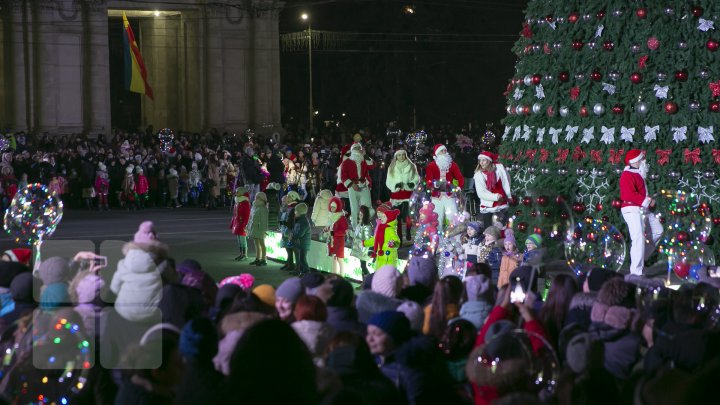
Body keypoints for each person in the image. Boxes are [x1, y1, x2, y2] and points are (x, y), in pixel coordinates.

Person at [619, 149, 662, 277]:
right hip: (632, 209)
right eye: (642, 159)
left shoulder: (637, 173)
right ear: (635, 161)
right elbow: (628, 194)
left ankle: (639, 258)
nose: (644, 161)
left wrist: (648, 201)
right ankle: (636, 273)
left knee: (658, 230)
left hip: (642, 209)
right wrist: (647, 201)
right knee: (638, 238)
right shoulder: (627, 174)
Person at [425, 144, 464, 233]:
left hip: (449, 195)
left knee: (453, 217)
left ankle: (455, 237)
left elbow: (460, 178)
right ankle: (437, 239)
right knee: (437, 218)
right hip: (436, 197)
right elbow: (428, 181)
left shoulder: (452, 165)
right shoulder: (431, 165)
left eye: (445, 151)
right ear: (437, 154)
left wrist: (459, 187)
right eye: (441, 151)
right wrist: (434, 184)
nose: (443, 153)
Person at [385, 148, 419, 243]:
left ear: (405, 155)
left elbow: (416, 177)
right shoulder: (391, 167)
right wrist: (395, 185)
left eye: (403, 155)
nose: (401, 157)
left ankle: (408, 230)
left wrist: (412, 183)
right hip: (396, 196)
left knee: (408, 217)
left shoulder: (412, 166)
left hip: (408, 195)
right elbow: (388, 181)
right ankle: (399, 239)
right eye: (399, 155)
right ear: (396, 156)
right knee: (397, 219)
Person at [473, 151, 512, 228]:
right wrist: (496, 197)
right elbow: (481, 193)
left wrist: (508, 195)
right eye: (480, 160)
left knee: (503, 228)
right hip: (488, 206)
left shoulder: (499, 169)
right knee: (489, 230)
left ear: (489, 160)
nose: (481, 163)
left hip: (502, 204)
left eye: (483, 160)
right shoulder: (478, 175)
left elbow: (506, 182)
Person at [340, 142, 374, 228]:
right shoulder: (346, 162)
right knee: (354, 209)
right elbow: (343, 176)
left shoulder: (364, 160)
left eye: (359, 148)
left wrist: (365, 155)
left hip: (364, 186)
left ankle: (365, 225)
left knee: (367, 208)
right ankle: (355, 229)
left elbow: (373, 166)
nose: (358, 150)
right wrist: (351, 184)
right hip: (352, 188)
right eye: (356, 148)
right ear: (352, 150)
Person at [364, 206, 401, 271]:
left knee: (386, 275)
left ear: (389, 219)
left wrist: (393, 244)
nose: (382, 218)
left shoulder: (390, 230)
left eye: (384, 217)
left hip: (388, 258)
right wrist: (364, 243)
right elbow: (375, 239)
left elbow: (397, 241)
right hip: (381, 257)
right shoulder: (381, 228)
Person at [326, 196, 349, 275]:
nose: (332, 208)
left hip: (339, 241)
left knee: (339, 259)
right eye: (331, 207)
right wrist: (326, 230)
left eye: (334, 207)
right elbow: (330, 227)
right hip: (332, 240)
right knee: (334, 258)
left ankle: (341, 275)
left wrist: (332, 233)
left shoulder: (341, 217)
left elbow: (344, 231)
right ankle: (334, 274)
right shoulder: (331, 216)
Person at [351, 205, 374, 276]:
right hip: (361, 249)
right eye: (359, 214)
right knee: (362, 266)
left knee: (363, 266)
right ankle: (364, 282)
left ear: (365, 215)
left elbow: (367, 239)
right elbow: (357, 236)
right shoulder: (360, 224)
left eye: (361, 214)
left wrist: (364, 251)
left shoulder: (367, 226)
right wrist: (350, 233)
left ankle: (369, 281)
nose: (360, 215)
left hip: (364, 250)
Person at [291, 202, 312, 275]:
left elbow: (300, 233)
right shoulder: (300, 220)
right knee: (301, 258)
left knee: (302, 259)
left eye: (296, 211)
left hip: (303, 243)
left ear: (300, 212)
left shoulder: (303, 221)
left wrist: (293, 236)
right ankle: (302, 271)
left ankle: (306, 271)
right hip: (301, 243)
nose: (294, 212)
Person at [248, 192, 269, 266]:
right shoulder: (254, 206)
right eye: (256, 196)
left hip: (260, 229)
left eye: (258, 197)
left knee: (262, 244)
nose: (256, 198)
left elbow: (264, 220)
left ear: (262, 198)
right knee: (256, 243)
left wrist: (264, 230)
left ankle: (264, 259)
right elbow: (251, 218)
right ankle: (257, 258)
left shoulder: (263, 208)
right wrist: (248, 226)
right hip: (254, 228)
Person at [231, 187, 251, 261]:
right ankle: (241, 254)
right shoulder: (238, 201)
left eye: (238, 192)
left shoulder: (245, 202)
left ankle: (245, 255)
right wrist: (233, 223)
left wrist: (246, 224)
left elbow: (247, 214)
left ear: (242, 193)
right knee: (239, 240)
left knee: (243, 240)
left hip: (242, 223)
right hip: (237, 223)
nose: (236, 193)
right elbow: (235, 214)